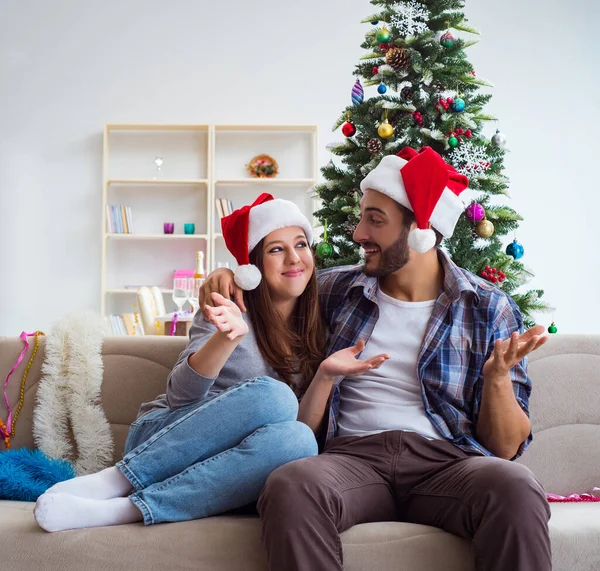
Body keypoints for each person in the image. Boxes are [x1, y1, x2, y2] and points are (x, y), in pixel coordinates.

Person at [200, 148, 552, 571]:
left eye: (375, 220)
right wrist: (228, 275)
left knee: (515, 486)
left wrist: (496, 379)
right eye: (362, 216)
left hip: (448, 463)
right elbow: (271, 290)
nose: (358, 233)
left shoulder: (487, 307)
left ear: (420, 230)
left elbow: (506, 448)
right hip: (350, 460)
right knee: (292, 484)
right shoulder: (335, 291)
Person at [34, 193, 388, 533]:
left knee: (300, 442)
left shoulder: (315, 325)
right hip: (162, 440)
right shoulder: (227, 305)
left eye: (301, 245)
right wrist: (227, 337)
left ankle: (124, 509)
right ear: (252, 267)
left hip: (227, 466)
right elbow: (180, 396)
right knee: (274, 396)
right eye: (276, 250)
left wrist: (325, 374)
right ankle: (117, 479)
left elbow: (294, 427)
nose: (294, 259)